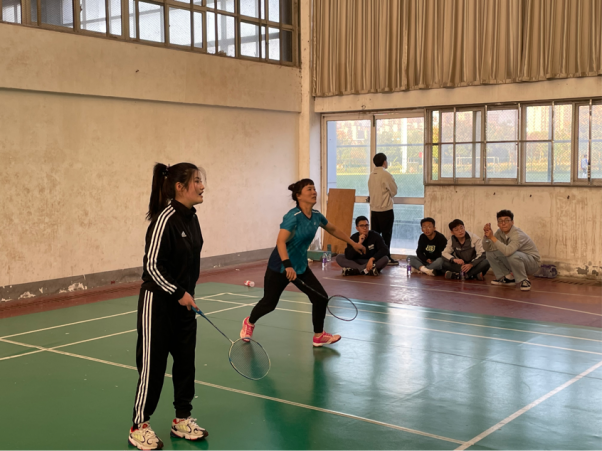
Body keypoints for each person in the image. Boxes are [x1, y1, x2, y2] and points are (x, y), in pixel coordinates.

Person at [129, 163, 208, 450]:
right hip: (158, 305)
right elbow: (152, 266)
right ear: (179, 187)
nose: (202, 186)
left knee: (186, 363)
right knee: (153, 366)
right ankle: (139, 425)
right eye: (196, 181)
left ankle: (182, 419)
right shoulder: (165, 219)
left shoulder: (192, 219)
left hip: (184, 304)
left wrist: (187, 294)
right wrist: (177, 292)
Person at [239, 179, 366, 347]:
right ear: (299, 195)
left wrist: (353, 243)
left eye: (314, 189)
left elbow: (333, 229)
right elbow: (280, 242)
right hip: (280, 266)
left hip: (300, 266)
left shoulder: (316, 216)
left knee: (320, 297)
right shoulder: (293, 217)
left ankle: (319, 335)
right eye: (309, 189)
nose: (314, 192)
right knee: (269, 303)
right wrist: (287, 265)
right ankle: (249, 322)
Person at [483, 209, 541, 291]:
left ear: (512, 222)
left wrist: (492, 237)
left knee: (512, 254)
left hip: (532, 264)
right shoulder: (500, 232)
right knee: (490, 253)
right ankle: (508, 278)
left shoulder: (517, 234)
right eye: (500, 221)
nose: (503, 223)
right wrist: (487, 237)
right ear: (498, 224)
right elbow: (488, 248)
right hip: (516, 259)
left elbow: (508, 251)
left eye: (506, 220)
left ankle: (524, 280)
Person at [368, 152, 398, 265]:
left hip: (374, 210)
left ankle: (375, 258)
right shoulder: (386, 175)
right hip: (385, 210)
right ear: (384, 162)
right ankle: (387, 258)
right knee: (386, 236)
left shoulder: (371, 175)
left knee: (375, 237)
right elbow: (394, 191)